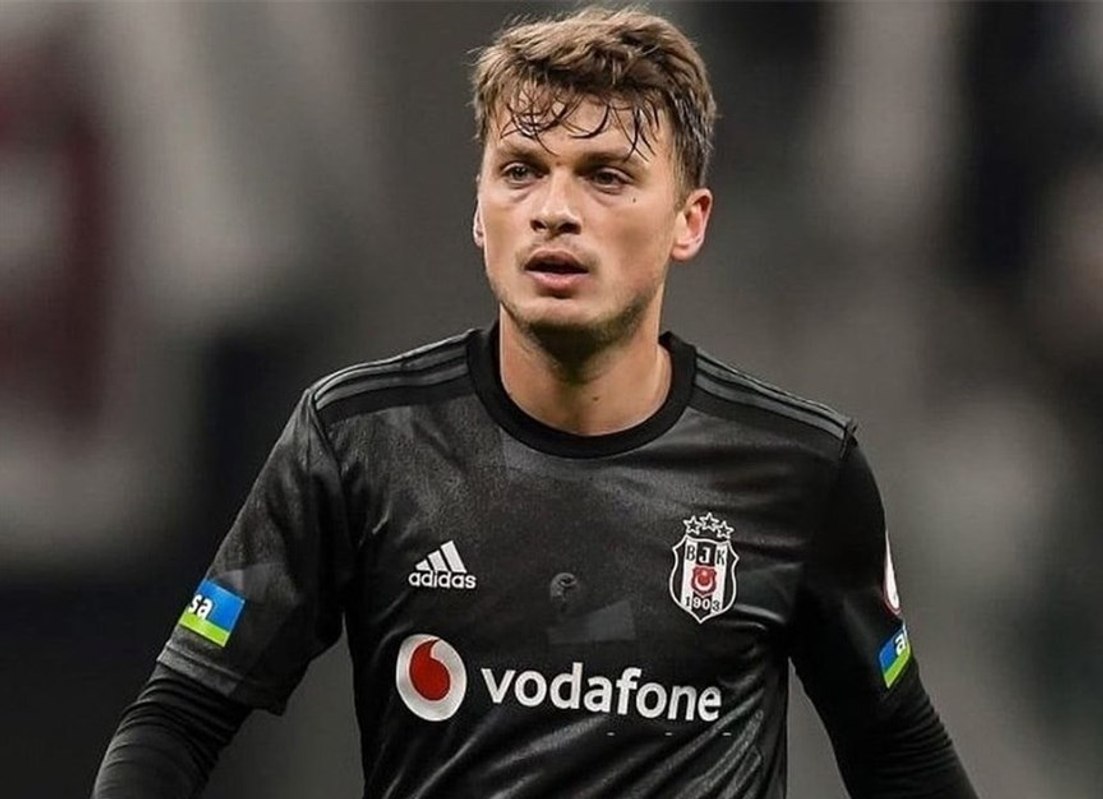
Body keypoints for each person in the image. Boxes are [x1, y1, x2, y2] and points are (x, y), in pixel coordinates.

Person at [92, 7, 976, 798]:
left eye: (606, 176)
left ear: (690, 219)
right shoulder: (359, 438)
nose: (555, 210)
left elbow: (900, 753)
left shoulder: (797, 469)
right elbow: (181, 713)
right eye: (521, 171)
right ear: (481, 212)